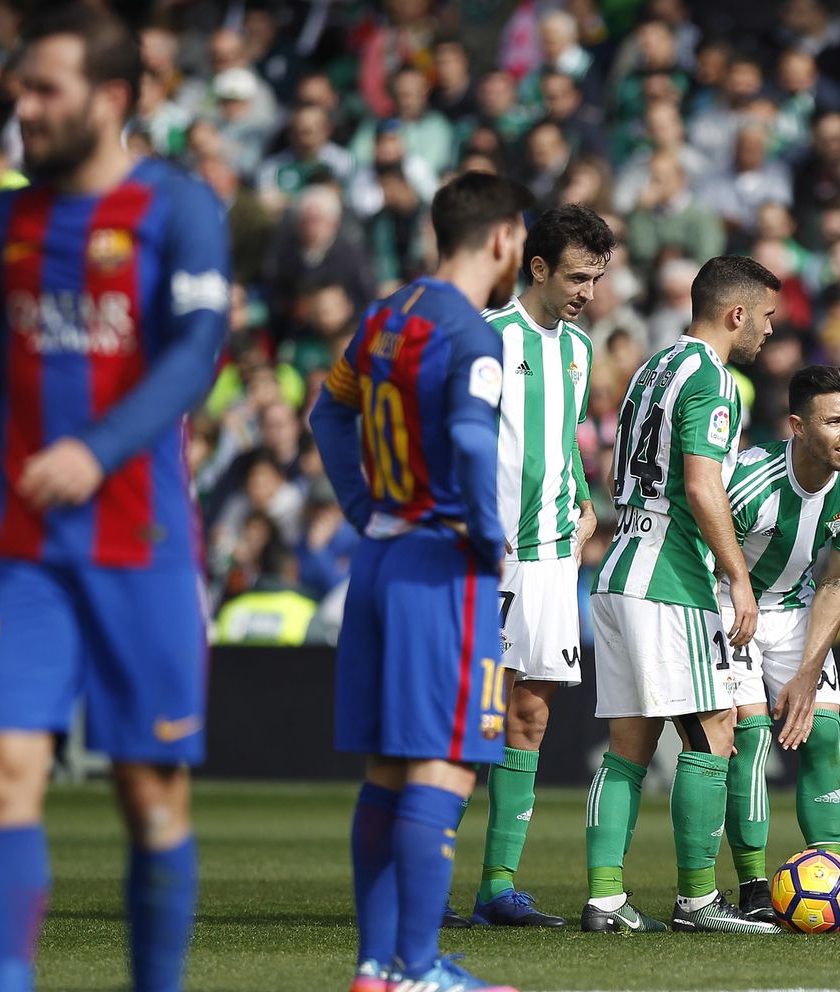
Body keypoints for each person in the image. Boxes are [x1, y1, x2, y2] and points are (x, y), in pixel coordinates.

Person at [0, 8, 229, 989]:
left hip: (140, 549)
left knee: (151, 797)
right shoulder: (11, 221)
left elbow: (195, 355)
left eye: (44, 89)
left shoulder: (178, 209)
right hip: (24, 557)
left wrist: (97, 450)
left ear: (109, 99)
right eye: (20, 88)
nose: (23, 108)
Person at [308, 170, 530, 992]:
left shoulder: (384, 316)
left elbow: (327, 413)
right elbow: (473, 441)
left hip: (380, 557)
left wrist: (364, 504)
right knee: (443, 764)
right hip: (442, 564)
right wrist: (483, 529)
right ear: (505, 239)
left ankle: (377, 967)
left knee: (388, 770)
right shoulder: (471, 334)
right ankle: (416, 969)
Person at [584, 255, 781, 934]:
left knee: (630, 745)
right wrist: (738, 576)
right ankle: (698, 899)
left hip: (617, 567)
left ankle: (605, 896)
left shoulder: (652, 367)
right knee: (715, 734)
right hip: (669, 577)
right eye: (766, 318)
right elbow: (702, 486)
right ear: (736, 314)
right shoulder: (713, 379)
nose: (769, 333)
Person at [446, 204, 614, 930]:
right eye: (578, 277)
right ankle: (422, 885)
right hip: (489, 557)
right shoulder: (485, 339)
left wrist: (583, 503)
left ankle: (496, 888)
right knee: (462, 721)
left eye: (597, 279)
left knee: (531, 713)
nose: (587, 291)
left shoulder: (576, 350)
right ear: (538, 268)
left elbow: (564, 441)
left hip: (551, 560)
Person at [715, 365, 840, 930]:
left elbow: (838, 582)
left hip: (794, 609)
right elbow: (704, 556)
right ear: (796, 426)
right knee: (752, 738)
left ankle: (832, 875)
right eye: (834, 421)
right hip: (723, 601)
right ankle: (754, 887)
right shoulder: (747, 480)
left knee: (826, 730)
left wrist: (809, 672)